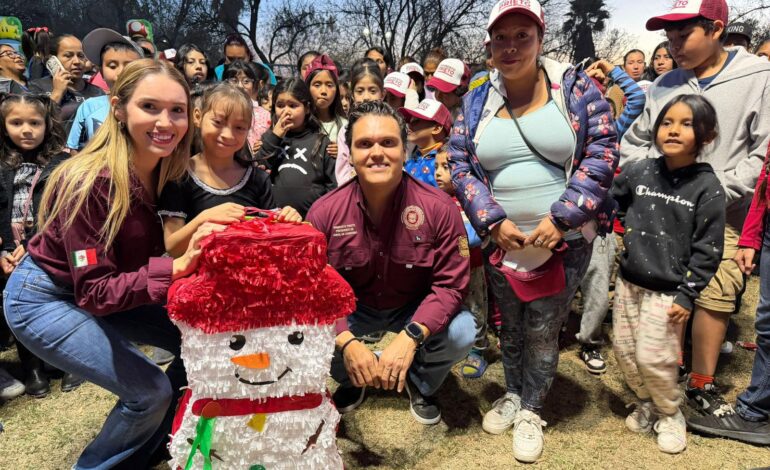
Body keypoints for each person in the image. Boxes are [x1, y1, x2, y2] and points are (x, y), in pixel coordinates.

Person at [2, 59, 210, 468]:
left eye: (177, 110)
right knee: (150, 391)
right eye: (149, 107)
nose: (166, 121)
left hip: (109, 285)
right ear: (118, 108)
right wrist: (176, 268)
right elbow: (96, 291)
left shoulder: (171, 171)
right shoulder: (89, 180)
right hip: (44, 298)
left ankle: (155, 447)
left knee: (202, 340)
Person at [450, 0, 618, 462]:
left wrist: (562, 217)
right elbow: (460, 162)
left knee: (544, 326)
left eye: (522, 35)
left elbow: (603, 150)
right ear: (489, 45)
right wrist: (491, 220)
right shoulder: (478, 98)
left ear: (541, 39)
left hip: (563, 239)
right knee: (510, 325)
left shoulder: (575, 87)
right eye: (501, 38)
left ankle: (531, 407)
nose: (511, 46)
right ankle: (513, 391)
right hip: (503, 240)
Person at [622, 0, 770, 420]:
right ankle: (668, 376)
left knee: (715, 292)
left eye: (684, 34)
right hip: (662, 209)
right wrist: (647, 183)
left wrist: (712, 193)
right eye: (669, 35)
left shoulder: (758, 76)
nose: (674, 44)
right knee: (668, 291)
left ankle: (702, 383)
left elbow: (762, 151)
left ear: (716, 28)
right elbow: (633, 141)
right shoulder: (666, 82)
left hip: (725, 210)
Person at [306, 100, 475, 425]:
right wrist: (346, 341)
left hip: (413, 305)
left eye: (388, 142)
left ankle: (418, 380)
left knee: (463, 331)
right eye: (364, 144)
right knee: (307, 331)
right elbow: (313, 290)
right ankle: (352, 377)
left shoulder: (439, 209)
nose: (377, 153)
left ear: (404, 148)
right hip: (352, 309)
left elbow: (451, 285)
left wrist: (411, 335)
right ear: (350, 153)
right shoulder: (324, 213)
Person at [612, 94, 724, 454]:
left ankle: (670, 412)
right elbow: (615, 199)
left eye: (686, 123)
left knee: (653, 357)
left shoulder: (707, 188)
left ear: (706, 135)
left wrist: (688, 294)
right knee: (626, 354)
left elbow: (708, 249)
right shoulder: (639, 171)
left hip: (669, 292)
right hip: (629, 284)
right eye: (667, 122)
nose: (673, 130)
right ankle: (646, 401)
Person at [687, 141, 770, 446]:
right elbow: (767, 175)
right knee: (767, 322)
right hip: (765, 221)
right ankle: (754, 410)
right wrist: (751, 236)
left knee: (760, 317)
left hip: (735, 210)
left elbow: (761, 159)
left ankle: (746, 407)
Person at [0, 93, 82, 399]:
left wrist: (34, 244)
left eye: (34, 122)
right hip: (12, 250)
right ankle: (32, 366)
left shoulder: (61, 161)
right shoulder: (2, 166)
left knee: (62, 300)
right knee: (18, 304)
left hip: (52, 247)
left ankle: (71, 359)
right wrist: (5, 250)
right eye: (16, 122)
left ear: (47, 124)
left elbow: (65, 210)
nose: (26, 130)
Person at [159, 83, 300, 257]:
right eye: (218, 122)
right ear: (197, 117)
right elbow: (172, 247)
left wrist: (288, 219)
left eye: (239, 127)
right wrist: (205, 218)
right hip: (200, 279)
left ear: (249, 129)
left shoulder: (257, 178)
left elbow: (271, 235)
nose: (228, 134)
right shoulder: (179, 177)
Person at [577, 57, 646, 374]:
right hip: (563, 221)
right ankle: (549, 333)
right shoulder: (565, 137)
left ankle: (588, 341)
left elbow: (638, 98)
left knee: (597, 282)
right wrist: (579, 76)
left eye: (602, 103)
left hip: (599, 224)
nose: (596, 112)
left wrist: (611, 71)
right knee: (558, 283)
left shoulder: (613, 133)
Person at [434, 146, 490, 378]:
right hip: (444, 270)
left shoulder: (471, 201)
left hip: (471, 267)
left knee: (476, 306)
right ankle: (451, 346)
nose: (438, 173)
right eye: (437, 167)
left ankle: (478, 350)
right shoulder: (436, 200)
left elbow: (479, 234)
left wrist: (450, 238)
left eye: (445, 167)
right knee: (447, 307)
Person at [256, 78, 336, 217]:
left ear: (307, 108)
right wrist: (274, 137)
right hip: (274, 221)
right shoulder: (269, 139)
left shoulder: (321, 142)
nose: (286, 112)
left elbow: (332, 187)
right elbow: (258, 170)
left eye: (293, 106)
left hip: (310, 221)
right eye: (280, 105)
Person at [66, 29, 144, 152]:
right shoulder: (89, 107)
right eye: (112, 66)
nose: (120, 73)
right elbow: (74, 149)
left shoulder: (152, 110)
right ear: (101, 72)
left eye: (129, 66)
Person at [28, 35, 104, 130]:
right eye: (68, 55)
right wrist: (57, 93)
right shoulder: (36, 87)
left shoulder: (98, 93)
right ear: (53, 60)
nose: (77, 61)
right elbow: (33, 122)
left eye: (81, 56)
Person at [335, 60, 384, 184]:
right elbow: (342, 172)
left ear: (383, 94)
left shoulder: (394, 126)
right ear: (352, 95)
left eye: (372, 91)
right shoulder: (345, 131)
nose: (366, 97)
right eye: (360, 91)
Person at [223, 60, 271, 158]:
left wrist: (265, 145)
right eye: (234, 80)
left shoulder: (265, 115)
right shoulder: (218, 110)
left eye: (246, 81)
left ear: (254, 84)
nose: (240, 86)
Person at [400, 98, 452, 187]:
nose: (409, 125)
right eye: (409, 121)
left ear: (437, 128)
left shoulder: (448, 161)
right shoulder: (411, 160)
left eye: (416, 121)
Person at [304, 54, 346, 158]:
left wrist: (344, 153)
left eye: (329, 85)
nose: (323, 91)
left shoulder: (346, 126)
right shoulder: (299, 124)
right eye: (317, 85)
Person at [606, 49, 646, 119]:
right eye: (630, 63)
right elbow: (614, 116)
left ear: (644, 65)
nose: (636, 67)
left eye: (640, 62)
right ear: (624, 67)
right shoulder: (617, 89)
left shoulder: (650, 85)